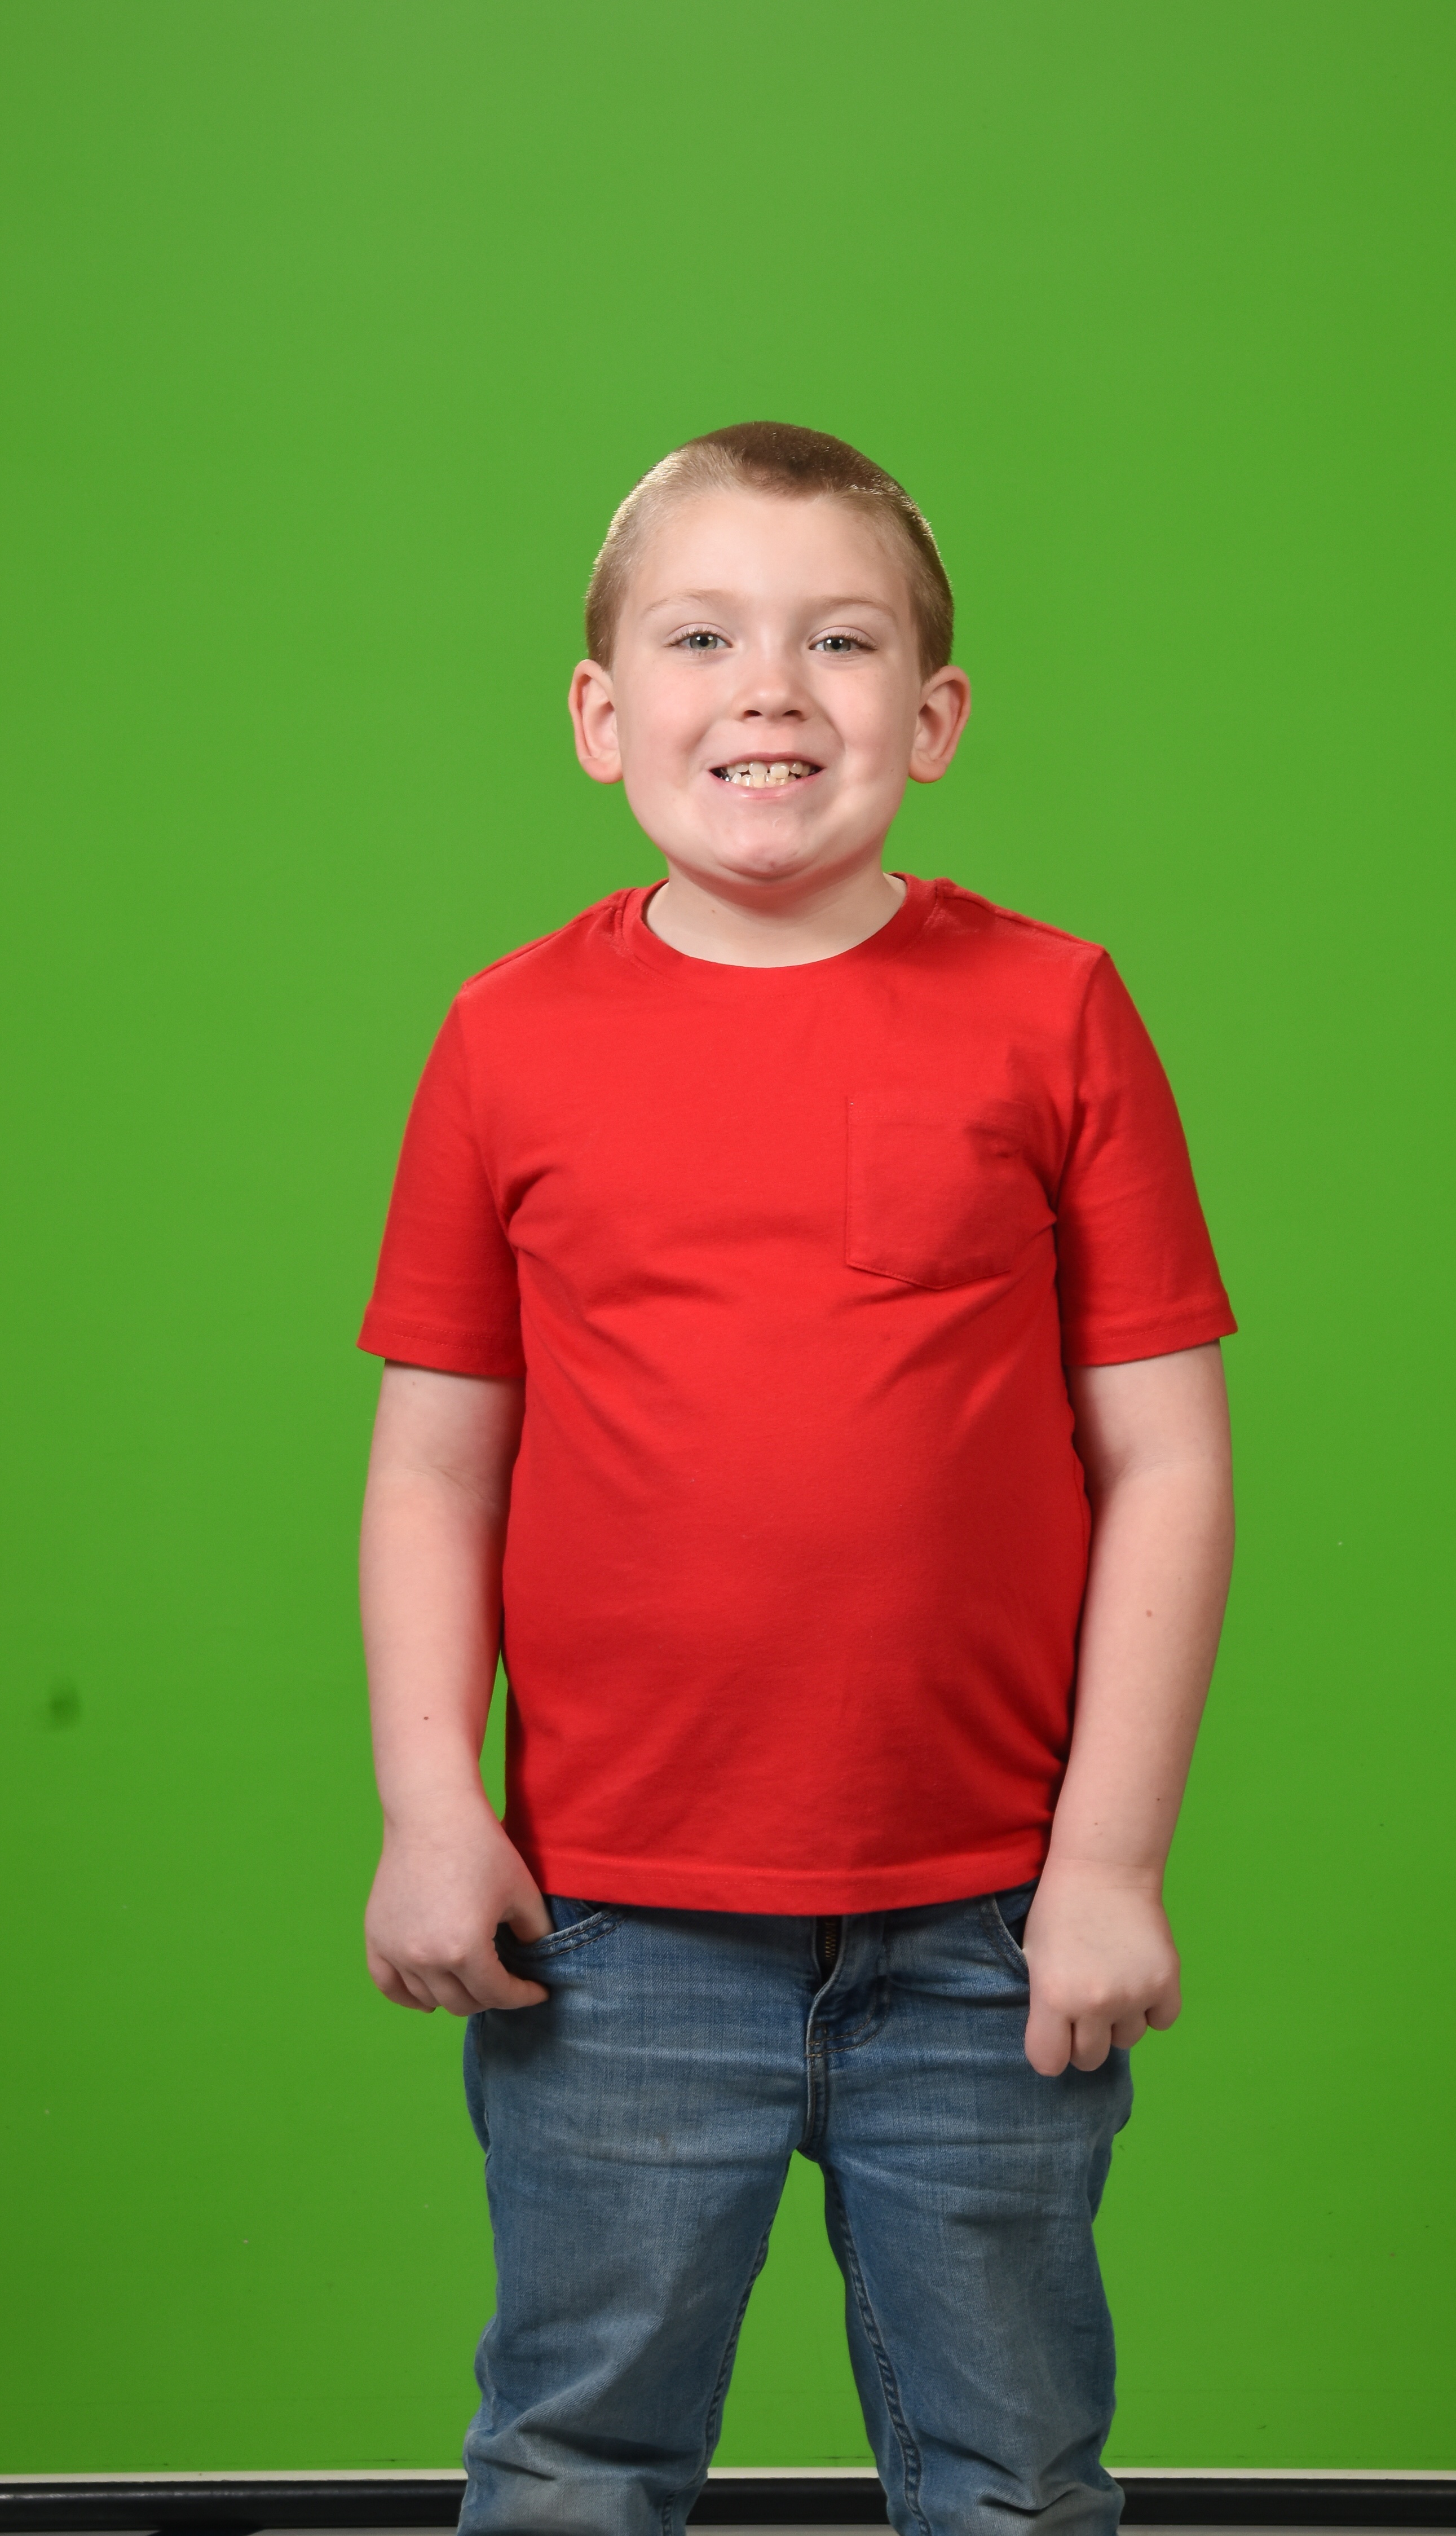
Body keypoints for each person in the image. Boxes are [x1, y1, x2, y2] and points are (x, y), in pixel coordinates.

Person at [356, 421, 1236, 2535]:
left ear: (932, 718)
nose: (770, 687)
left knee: (1014, 2476)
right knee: (575, 2457)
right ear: (601, 717)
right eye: (702, 638)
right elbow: (437, 1472)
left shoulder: (1053, 1011)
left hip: (990, 1920)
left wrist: (1109, 1865)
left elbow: (1168, 1458)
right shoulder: (505, 1038)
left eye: (840, 641)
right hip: (611, 1922)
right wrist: (432, 1809)